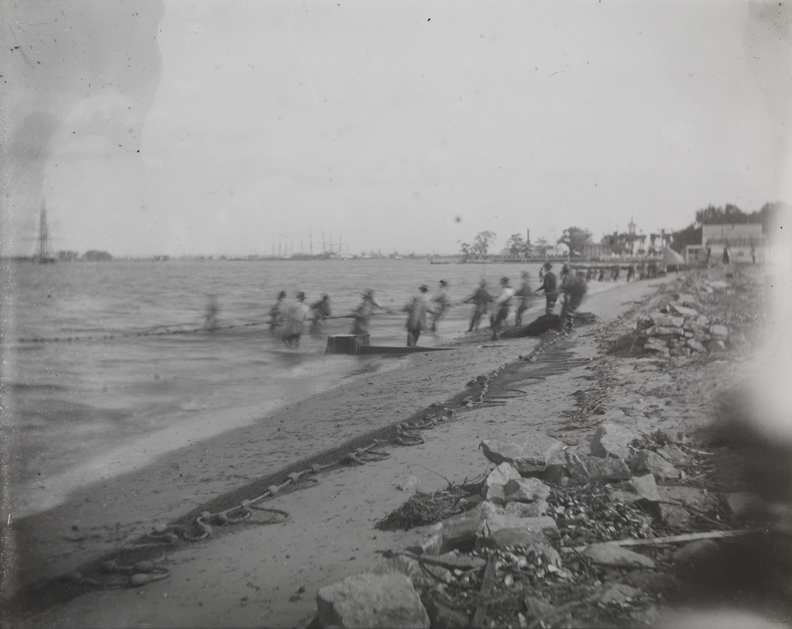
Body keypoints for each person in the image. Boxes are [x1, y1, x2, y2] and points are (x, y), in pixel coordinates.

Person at [558, 263, 588, 333]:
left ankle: (565, 328)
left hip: (572, 298)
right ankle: (570, 326)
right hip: (575, 298)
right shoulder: (576, 279)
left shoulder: (567, 277)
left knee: (566, 311)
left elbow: (567, 287)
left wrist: (561, 290)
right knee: (568, 311)